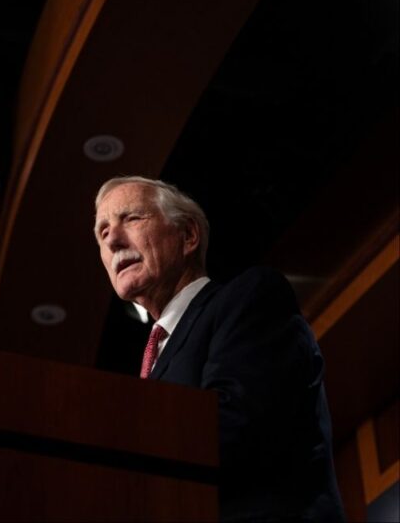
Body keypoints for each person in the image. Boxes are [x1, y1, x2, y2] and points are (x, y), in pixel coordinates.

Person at [93, 176, 345, 521]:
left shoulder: (249, 298)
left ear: (188, 236)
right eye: (102, 233)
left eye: (132, 218)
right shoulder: (152, 359)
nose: (113, 241)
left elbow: (231, 429)